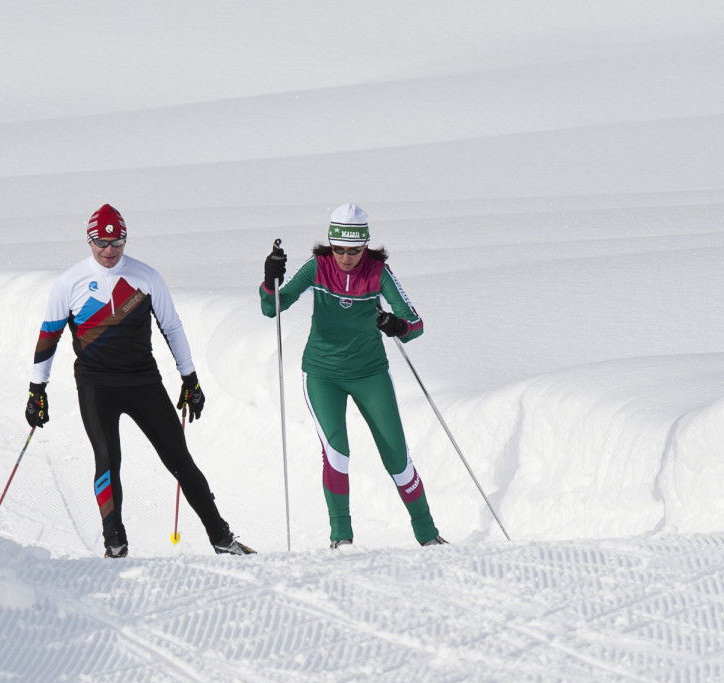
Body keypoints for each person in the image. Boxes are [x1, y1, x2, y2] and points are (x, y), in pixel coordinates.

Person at [29, 204, 253, 558]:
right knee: (107, 459)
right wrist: (36, 390)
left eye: (117, 243)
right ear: (89, 241)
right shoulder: (69, 283)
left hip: (142, 381)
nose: (109, 251)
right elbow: (48, 336)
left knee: (180, 459)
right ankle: (115, 542)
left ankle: (222, 538)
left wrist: (190, 379)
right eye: (102, 243)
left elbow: (172, 327)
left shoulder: (146, 278)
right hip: (96, 383)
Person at [259, 203, 443, 549]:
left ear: (365, 246)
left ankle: (428, 535)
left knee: (398, 459)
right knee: (337, 453)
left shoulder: (378, 272)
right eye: (339, 249)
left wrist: (397, 325)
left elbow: (415, 325)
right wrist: (270, 280)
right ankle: (341, 539)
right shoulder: (318, 267)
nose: (345, 257)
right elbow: (273, 308)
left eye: (354, 250)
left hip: (369, 373)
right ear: (330, 245)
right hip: (322, 374)